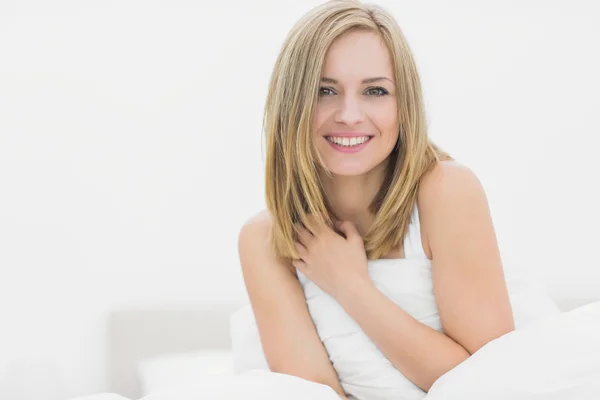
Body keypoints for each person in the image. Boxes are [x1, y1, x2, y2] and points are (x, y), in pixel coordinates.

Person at [238, 1, 515, 399]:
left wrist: (350, 285)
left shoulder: (446, 191)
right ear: (292, 102)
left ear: (404, 106)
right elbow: (315, 393)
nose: (349, 115)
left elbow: (491, 382)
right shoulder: (264, 239)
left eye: (375, 91)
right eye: (324, 90)